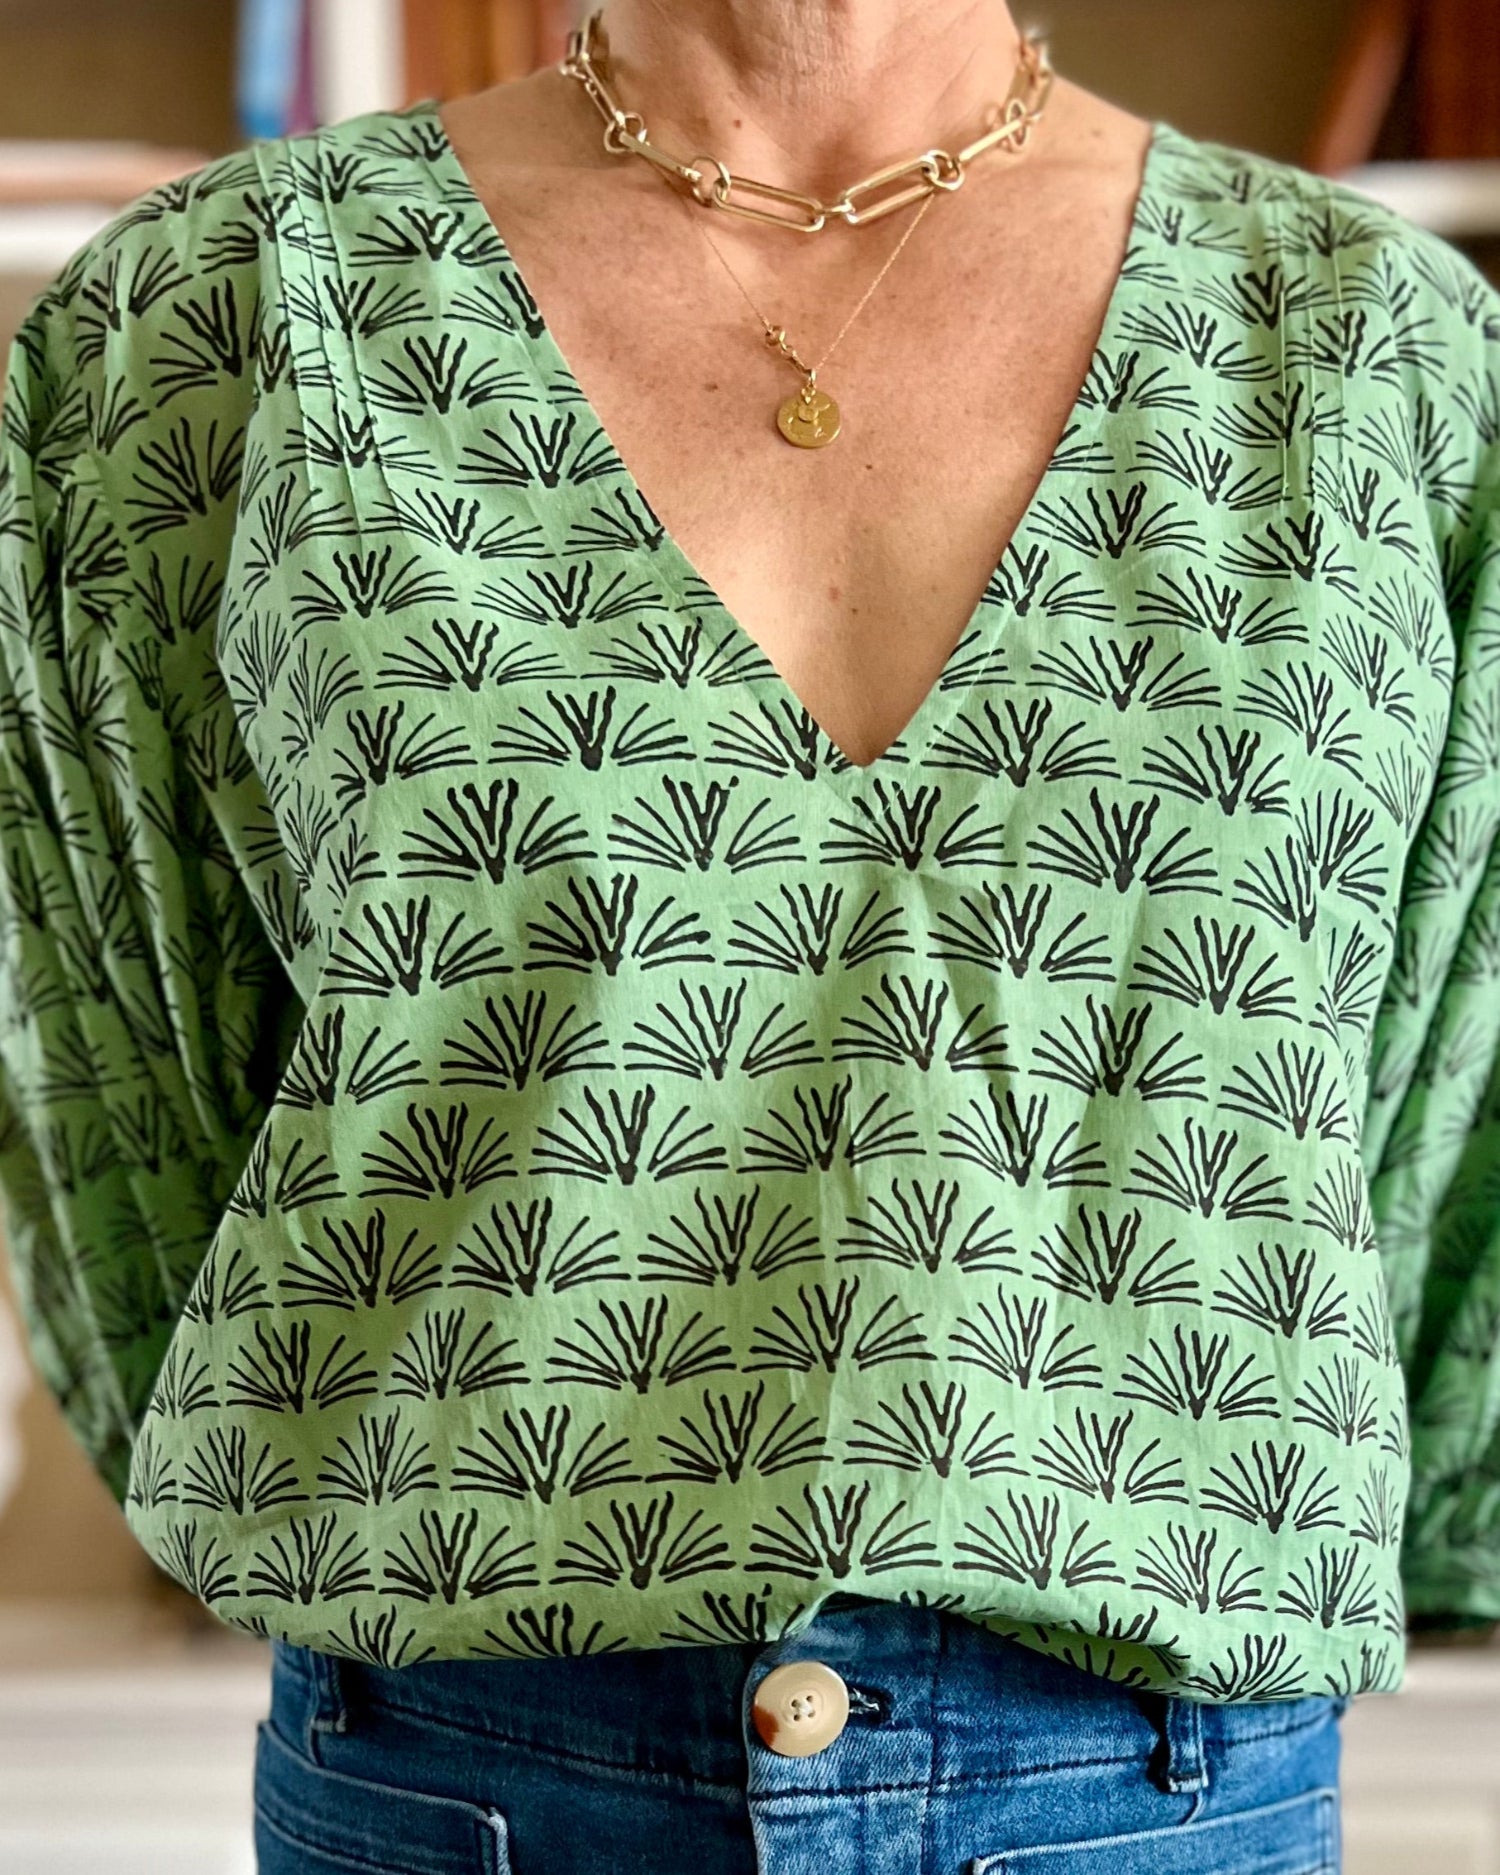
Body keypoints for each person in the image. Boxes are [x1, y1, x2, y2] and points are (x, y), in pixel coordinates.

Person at [0, 2, 1497, 1869]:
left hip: (1156, 1784)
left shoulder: (1381, 354)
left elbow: (1447, 1101)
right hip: (470, 1774)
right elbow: (115, 1065)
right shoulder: (221, 321)